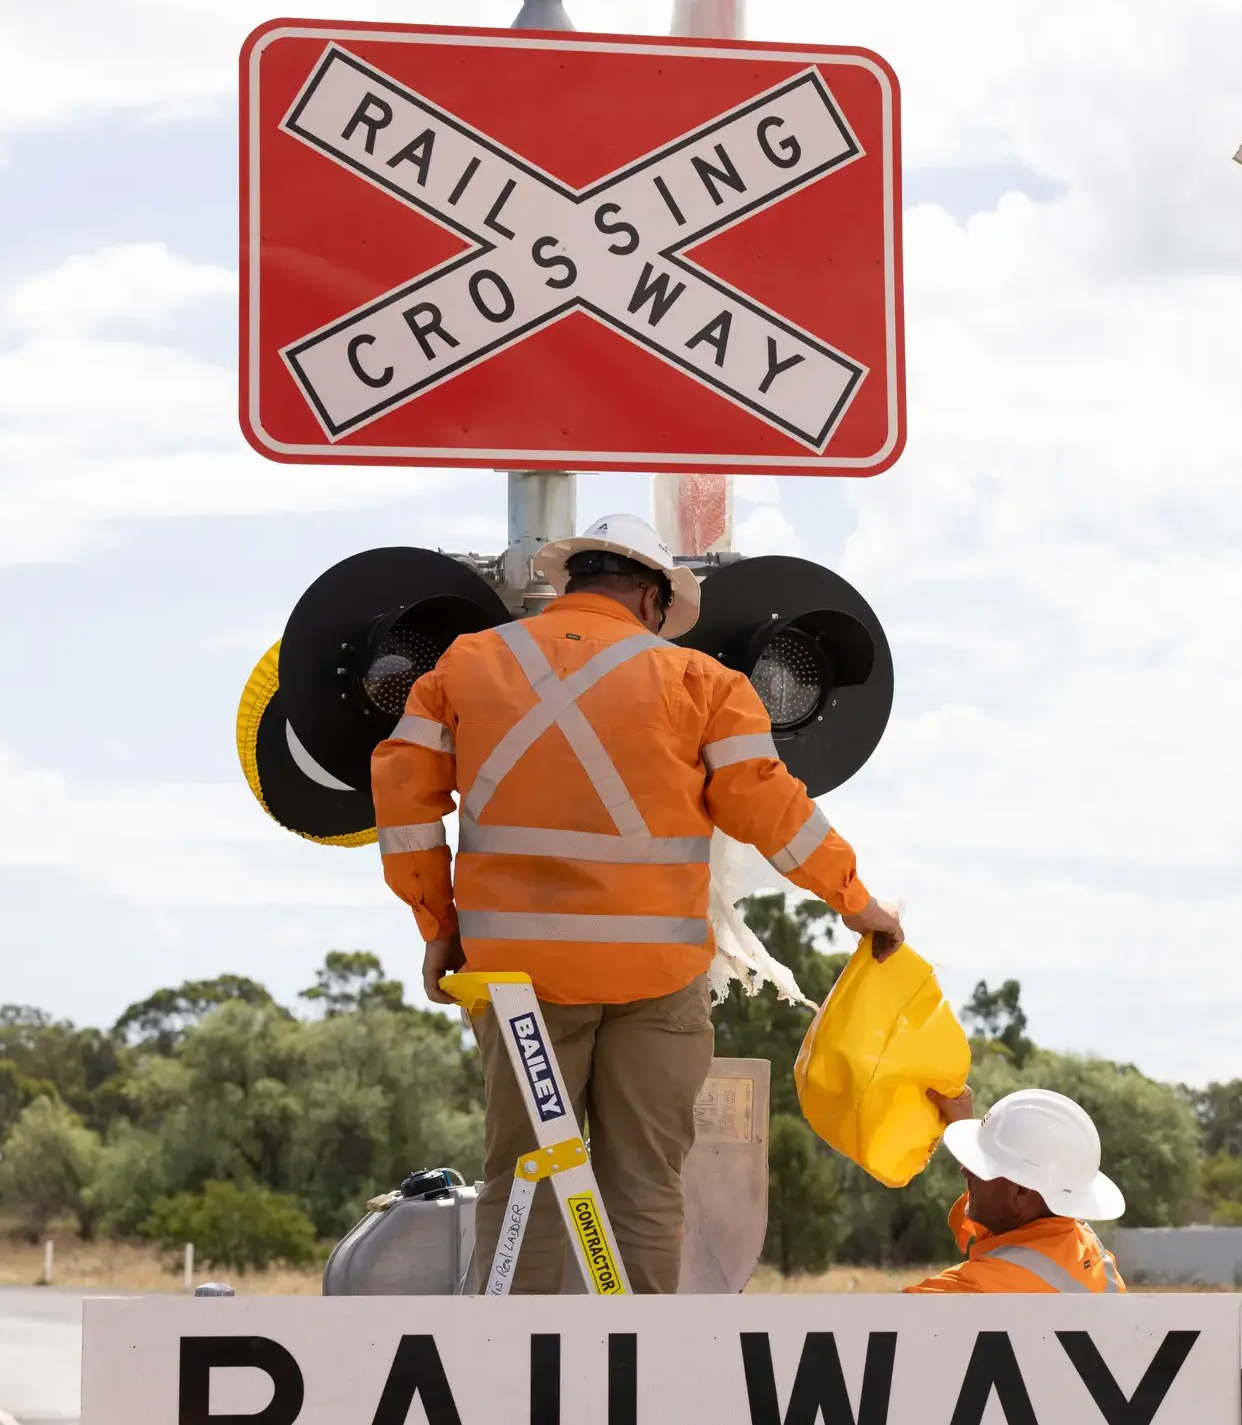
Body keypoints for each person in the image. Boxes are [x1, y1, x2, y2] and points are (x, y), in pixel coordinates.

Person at [371, 513, 899, 1294]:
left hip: (522, 981)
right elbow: (769, 806)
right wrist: (855, 901)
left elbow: (405, 803)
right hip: (655, 979)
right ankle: (643, 1373)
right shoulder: (702, 684)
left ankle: (511, 1374)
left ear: (569, 582)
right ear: (654, 600)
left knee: (526, 1180)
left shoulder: (466, 664)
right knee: (646, 1191)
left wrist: (438, 926)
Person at [906, 1087, 1128, 1293]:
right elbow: (1007, 1217)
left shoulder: (976, 1288)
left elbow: (877, 1326)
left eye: (984, 1168)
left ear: (1021, 1191)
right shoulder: (1084, 1245)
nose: (965, 1171)